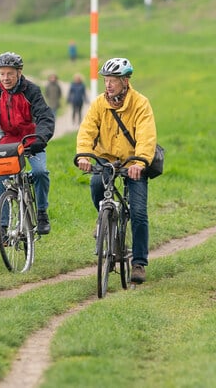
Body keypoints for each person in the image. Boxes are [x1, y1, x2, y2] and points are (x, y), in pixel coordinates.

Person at [75, 57, 156, 284]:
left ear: (126, 82)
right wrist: (83, 154)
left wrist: (140, 163)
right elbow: (87, 131)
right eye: (106, 80)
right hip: (107, 158)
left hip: (133, 161)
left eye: (113, 80)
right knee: (95, 183)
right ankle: (104, 219)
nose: (108, 85)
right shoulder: (99, 104)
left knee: (139, 213)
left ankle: (138, 262)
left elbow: (146, 137)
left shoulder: (141, 103)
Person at [0, 52, 56, 238]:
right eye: (2, 73)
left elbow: (45, 117)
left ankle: (42, 213)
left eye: (9, 74)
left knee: (40, 172)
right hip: (8, 139)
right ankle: (1, 228)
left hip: (31, 139)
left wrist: (40, 138)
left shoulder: (32, 91)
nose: (5, 78)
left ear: (19, 73)